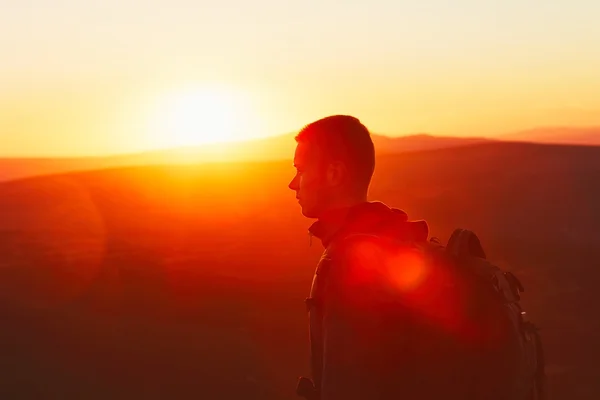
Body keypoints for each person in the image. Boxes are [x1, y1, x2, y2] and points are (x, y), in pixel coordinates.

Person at [288, 115, 540, 400]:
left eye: (300, 170)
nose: (292, 184)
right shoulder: (403, 242)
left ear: (334, 174)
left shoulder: (350, 266)